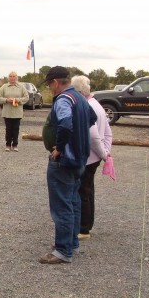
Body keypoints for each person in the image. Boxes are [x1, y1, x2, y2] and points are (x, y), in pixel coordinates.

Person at [39, 66, 96, 265]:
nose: (49, 89)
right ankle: (71, 243)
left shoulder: (63, 99)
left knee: (61, 204)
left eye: (49, 85)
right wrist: (78, 139)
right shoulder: (80, 97)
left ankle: (63, 250)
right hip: (80, 158)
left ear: (55, 82)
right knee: (73, 200)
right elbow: (92, 118)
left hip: (65, 161)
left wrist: (60, 148)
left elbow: (64, 123)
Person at [72, 75, 113, 240]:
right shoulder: (97, 104)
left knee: (84, 191)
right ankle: (86, 225)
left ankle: (83, 228)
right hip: (95, 156)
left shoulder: (88, 106)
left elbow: (94, 136)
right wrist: (106, 151)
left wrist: (104, 153)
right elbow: (108, 131)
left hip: (89, 157)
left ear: (79, 91)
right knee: (88, 190)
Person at [0, 71, 30, 151]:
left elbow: (26, 97)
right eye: (10, 76)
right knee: (8, 129)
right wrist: (7, 100)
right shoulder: (4, 87)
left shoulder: (21, 87)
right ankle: (8, 145)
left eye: (14, 76)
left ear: (16, 77)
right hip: (7, 112)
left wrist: (17, 100)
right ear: (8, 78)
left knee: (16, 129)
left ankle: (15, 145)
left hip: (17, 113)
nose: (12, 78)